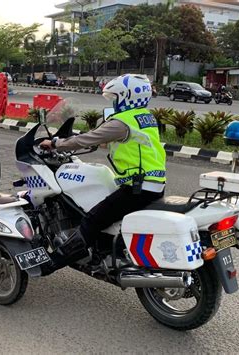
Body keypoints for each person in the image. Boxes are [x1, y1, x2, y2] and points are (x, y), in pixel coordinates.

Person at [39, 74, 166, 274]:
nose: (114, 103)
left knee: (92, 220)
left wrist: (56, 143)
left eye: (115, 98)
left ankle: (51, 263)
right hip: (153, 184)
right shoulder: (144, 117)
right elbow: (111, 139)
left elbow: (90, 138)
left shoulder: (122, 122)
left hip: (137, 188)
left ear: (127, 97)